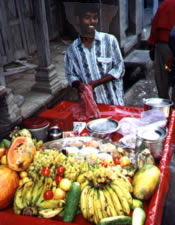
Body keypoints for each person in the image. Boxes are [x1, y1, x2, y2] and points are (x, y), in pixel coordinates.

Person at [64, 2, 125, 105]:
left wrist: (95, 83)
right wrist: (79, 85)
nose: (91, 22)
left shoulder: (110, 41)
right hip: (91, 105)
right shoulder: (72, 50)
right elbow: (70, 75)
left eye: (95, 18)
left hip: (114, 103)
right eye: (87, 18)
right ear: (78, 20)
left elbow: (120, 68)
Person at [148, 0, 175, 100]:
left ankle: (165, 104)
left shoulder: (165, 4)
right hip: (166, 43)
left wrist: (151, 44)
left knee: (162, 78)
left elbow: (154, 27)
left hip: (163, 45)